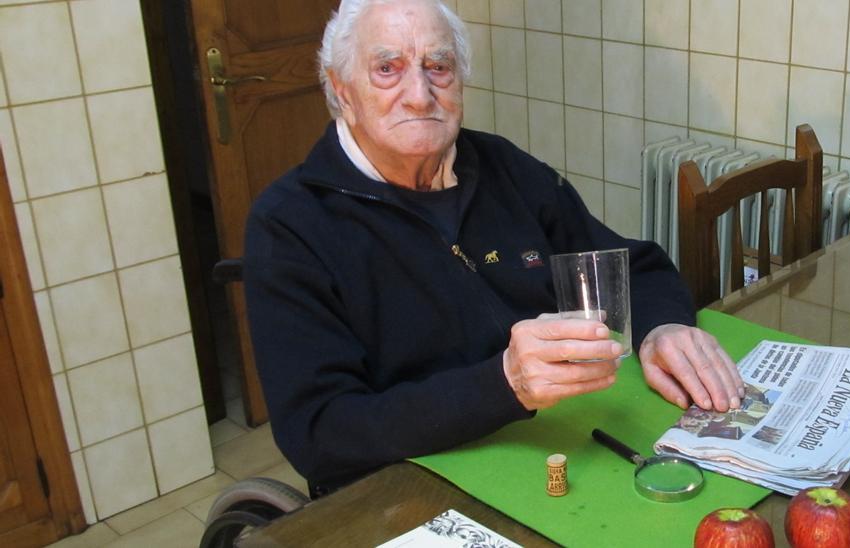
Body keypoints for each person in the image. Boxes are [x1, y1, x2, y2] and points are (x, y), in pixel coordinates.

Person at [242, 0, 744, 495]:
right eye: (387, 69)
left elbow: (632, 267)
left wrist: (663, 326)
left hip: (556, 452)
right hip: (402, 487)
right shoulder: (290, 224)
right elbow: (320, 432)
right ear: (341, 90)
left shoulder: (503, 167)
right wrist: (504, 383)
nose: (419, 95)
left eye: (438, 66)